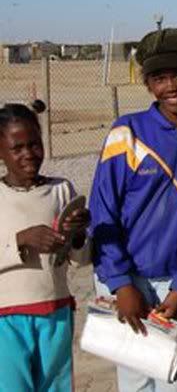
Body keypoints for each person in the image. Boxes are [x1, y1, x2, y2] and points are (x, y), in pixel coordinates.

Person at [89, 28, 177, 392]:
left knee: (174, 382)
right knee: (135, 383)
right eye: (159, 78)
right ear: (147, 83)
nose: (170, 86)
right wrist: (122, 284)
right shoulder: (127, 132)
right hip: (128, 283)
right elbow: (102, 211)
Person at [0, 102, 90, 392]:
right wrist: (21, 240)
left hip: (55, 311)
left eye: (35, 144)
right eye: (17, 148)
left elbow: (80, 259)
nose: (28, 154)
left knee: (56, 386)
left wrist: (76, 236)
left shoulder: (61, 189)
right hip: (7, 318)